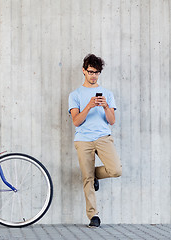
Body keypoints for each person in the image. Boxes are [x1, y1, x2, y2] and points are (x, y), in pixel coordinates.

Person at [68, 54, 122, 228]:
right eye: (91, 72)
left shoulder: (107, 94)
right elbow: (76, 121)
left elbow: (112, 121)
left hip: (103, 137)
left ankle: (92, 175)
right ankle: (93, 216)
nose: (93, 76)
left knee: (115, 170)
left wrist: (105, 106)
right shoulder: (75, 94)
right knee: (87, 180)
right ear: (84, 71)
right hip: (83, 139)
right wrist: (89, 106)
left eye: (97, 72)